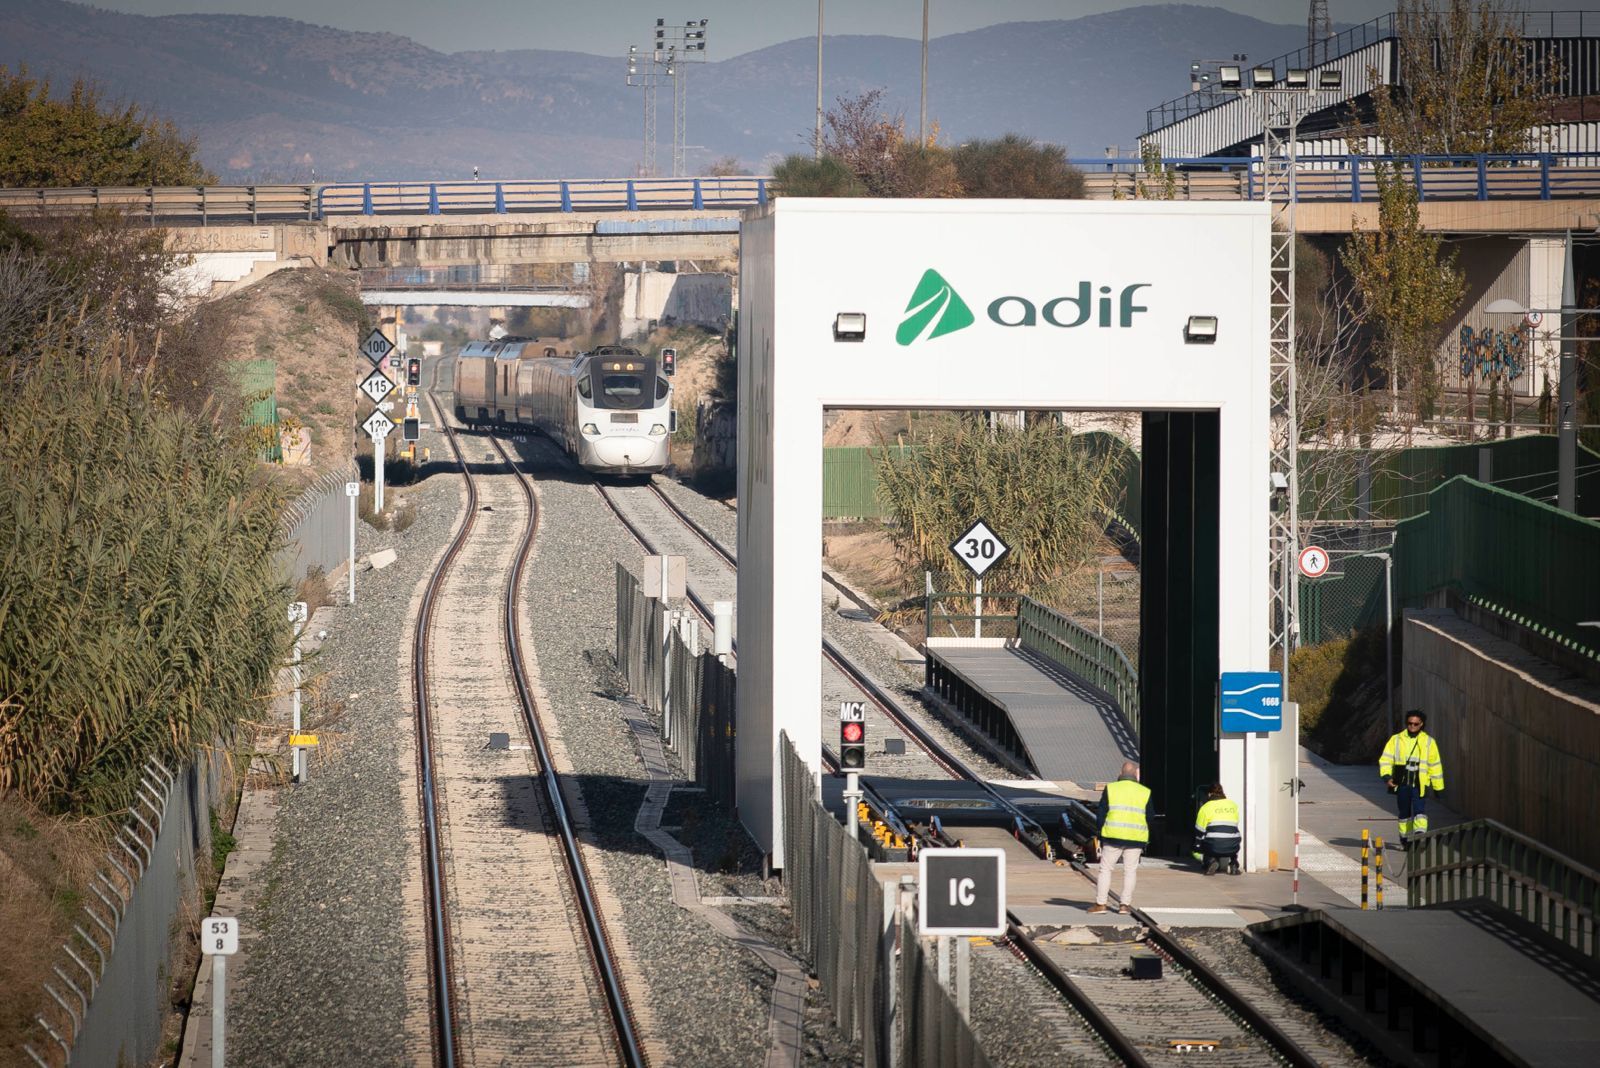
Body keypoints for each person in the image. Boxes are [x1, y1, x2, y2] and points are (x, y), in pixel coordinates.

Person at [1088, 760, 1150, 915]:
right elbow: (1150, 816)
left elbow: (1101, 813)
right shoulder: (1145, 791)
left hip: (1112, 836)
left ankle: (1101, 904)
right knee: (1130, 871)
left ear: (1120, 773)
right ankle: (1124, 906)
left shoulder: (1111, 789)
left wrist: (1101, 831)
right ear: (1136, 775)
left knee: (1105, 870)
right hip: (1136, 837)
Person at [1379, 709, 1444, 849]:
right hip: (1401, 784)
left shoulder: (1429, 742)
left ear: (1421, 724)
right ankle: (1406, 840)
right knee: (1404, 813)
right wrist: (1387, 777)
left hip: (1419, 784)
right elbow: (1386, 760)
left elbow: (1435, 765)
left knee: (1420, 811)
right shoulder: (1396, 740)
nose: (1412, 726)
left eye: (1415, 724)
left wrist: (1438, 787)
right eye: (1410, 723)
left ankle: (1420, 835)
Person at [1191, 784, 1242, 876]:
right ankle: (1234, 864)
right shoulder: (1233, 805)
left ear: (1209, 794)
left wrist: (1197, 844)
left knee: (1198, 847)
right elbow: (1236, 822)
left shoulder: (1206, 807)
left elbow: (1199, 830)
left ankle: (1211, 861)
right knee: (1230, 836)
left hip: (1213, 846)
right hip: (1233, 845)